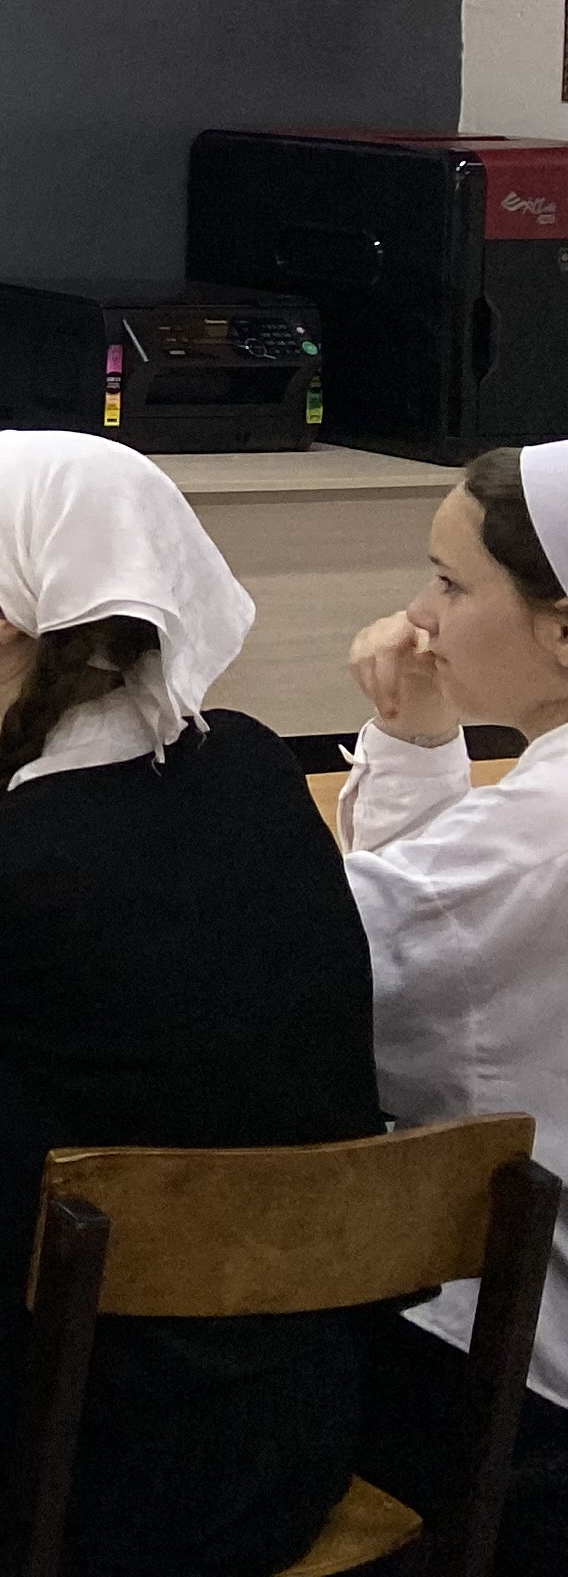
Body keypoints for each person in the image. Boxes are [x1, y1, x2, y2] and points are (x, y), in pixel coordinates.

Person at [0, 429, 378, 1577]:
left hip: (68, 1473)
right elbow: (63, 928)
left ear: (5, 611)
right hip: (290, 1433)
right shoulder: (250, 768)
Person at [334, 442, 568, 1566]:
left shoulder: (532, 838)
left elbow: (335, 980)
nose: (420, 617)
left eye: (451, 582)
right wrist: (425, 741)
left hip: (522, 1380)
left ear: (562, 632)